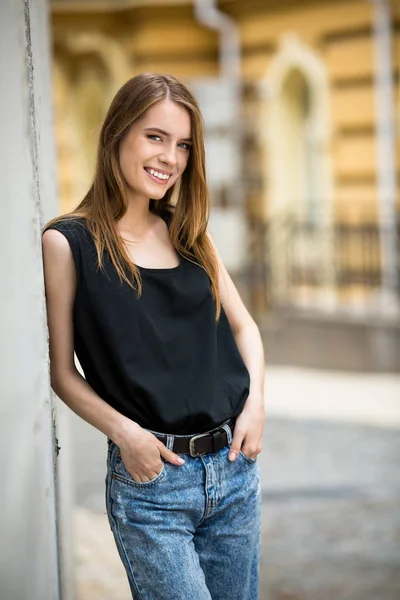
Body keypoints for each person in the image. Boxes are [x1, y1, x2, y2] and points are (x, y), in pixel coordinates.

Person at [42, 72, 265, 600]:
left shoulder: (190, 233)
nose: (170, 157)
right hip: (152, 484)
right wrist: (128, 436)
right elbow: (61, 373)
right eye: (155, 137)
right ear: (117, 134)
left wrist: (255, 404)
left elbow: (245, 326)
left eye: (183, 145)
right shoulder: (67, 242)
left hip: (234, 474)